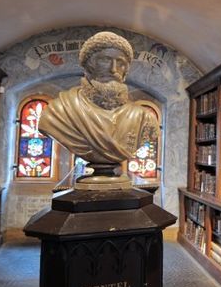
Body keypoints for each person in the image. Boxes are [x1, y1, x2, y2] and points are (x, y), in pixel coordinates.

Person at [38, 31, 158, 184]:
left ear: (125, 71)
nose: (113, 69)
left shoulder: (143, 117)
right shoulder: (58, 111)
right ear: (89, 65)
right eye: (105, 60)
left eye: (120, 63)